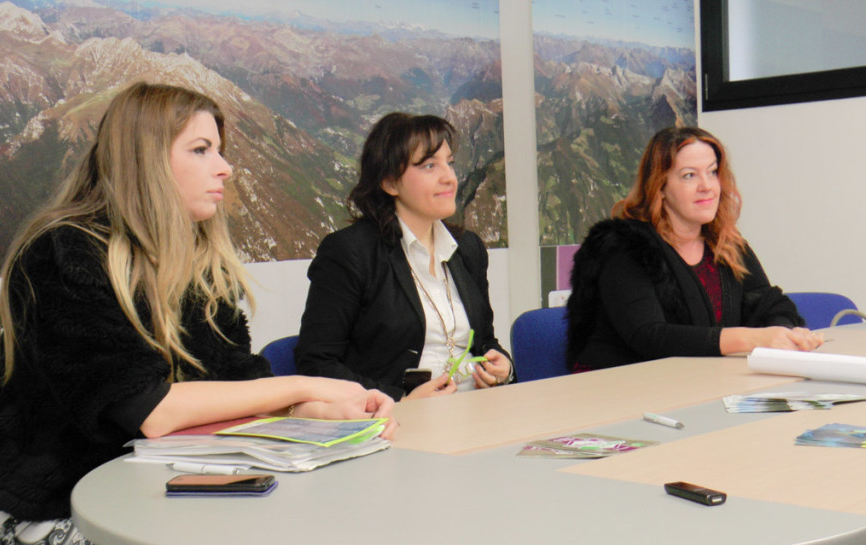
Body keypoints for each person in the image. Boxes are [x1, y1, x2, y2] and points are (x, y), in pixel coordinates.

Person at [0, 82, 397, 545]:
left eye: (220, 150)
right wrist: (303, 384)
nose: (225, 168)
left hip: (168, 488)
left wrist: (328, 410)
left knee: (328, 523)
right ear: (145, 161)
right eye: (200, 150)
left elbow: (240, 387)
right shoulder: (63, 253)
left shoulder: (201, 266)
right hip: (48, 512)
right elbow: (149, 410)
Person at [295, 112, 513, 401]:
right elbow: (317, 364)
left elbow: (483, 340)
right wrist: (400, 399)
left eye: (449, 163)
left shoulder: (468, 249)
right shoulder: (350, 252)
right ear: (390, 182)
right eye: (429, 166)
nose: (449, 178)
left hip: (476, 411)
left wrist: (503, 368)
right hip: (395, 421)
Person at [566, 126, 822, 371]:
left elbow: (769, 302)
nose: (707, 186)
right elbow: (650, 336)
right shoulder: (623, 246)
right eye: (690, 175)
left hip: (699, 381)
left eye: (712, 172)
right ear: (660, 187)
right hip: (617, 387)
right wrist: (753, 339)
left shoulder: (725, 242)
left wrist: (784, 334)